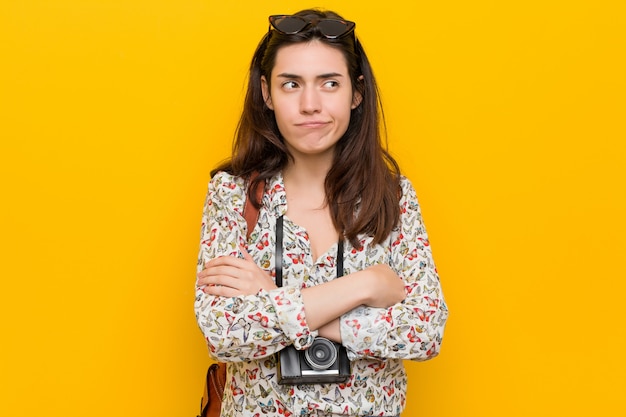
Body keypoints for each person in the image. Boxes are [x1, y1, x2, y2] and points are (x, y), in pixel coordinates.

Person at [195, 8, 448, 417]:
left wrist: (271, 299)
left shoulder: (391, 196)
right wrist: (366, 285)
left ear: (356, 92)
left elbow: (425, 331)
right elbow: (223, 333)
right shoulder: (233, 194)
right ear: (266, 93)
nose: (310, 105)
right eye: (291, 84)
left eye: (329, 83)